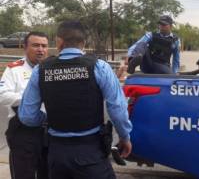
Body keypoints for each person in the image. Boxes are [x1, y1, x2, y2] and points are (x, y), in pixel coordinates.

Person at [18, 20, 132, 179]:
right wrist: (125, 137)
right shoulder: (100, 67)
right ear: (84, 43)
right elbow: (117, 109)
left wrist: (48, 118)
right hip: (91, 152)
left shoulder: (40, 70)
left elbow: (27, 116)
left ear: (59, 42)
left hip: (57, 154)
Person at [0, 32, 49, 179]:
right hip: (23, 131)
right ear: (25, 47)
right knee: (23, 174)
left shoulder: (52, 69)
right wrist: (31, 100)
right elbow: (2, 95)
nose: (40, 49)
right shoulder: (14, 69)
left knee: (48, 173)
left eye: (44, 46)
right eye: (35, 45)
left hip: (50, 131)